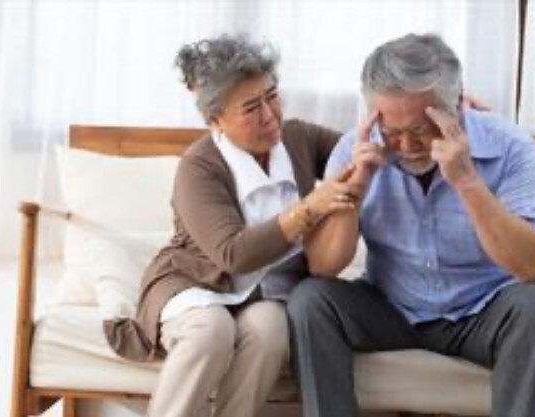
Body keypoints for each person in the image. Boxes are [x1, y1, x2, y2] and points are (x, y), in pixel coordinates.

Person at [288, 33, 535, 417]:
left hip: (483, 311)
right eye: (392, 132)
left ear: (456, 105)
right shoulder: (354, 151)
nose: (407, 147)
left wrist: (467, 181)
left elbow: (533, 267)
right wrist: (356, 187)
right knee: (311, 299)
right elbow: (324, 266)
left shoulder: (511, 146)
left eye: (422, 130)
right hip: (391, 308)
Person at [102, 34, 359, 417]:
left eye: (272, 96)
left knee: (271, 329)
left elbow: (356, 149)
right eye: (251, 107)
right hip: (194, 283)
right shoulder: (199, 166)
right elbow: (233, 254)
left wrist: (401, 125)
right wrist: (308, 208)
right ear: (215, 120)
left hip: (263, 295)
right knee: (211, 331)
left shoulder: (298, 138)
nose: (269, 115)